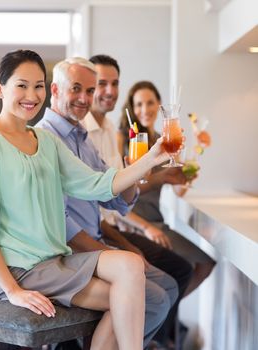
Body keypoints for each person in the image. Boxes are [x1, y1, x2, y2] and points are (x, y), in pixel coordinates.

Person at [0, 50, 171, 350]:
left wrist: (152, 158)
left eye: (38, 85)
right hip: (19, 268)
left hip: (56, 260)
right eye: (22, 85)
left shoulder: (47, 142)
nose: (32, 95)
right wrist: (13, 290)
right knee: (125, 298)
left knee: (130, 265)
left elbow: (98, 185)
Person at [37, 57, 179, 349]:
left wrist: (137, 169)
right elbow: (59, 220)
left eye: (90, 91)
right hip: (67, 253)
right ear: (55, 90)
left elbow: (114, 197)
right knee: (154, 298)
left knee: (168, 285)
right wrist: (110, 252)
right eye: (77, 89)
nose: (85, 98)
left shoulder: (82, 137)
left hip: (96, 243)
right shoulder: (45, 139)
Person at [81, 54, 194, 348]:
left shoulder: (110, 133)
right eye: (100, 83)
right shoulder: (90, 134)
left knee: (176, 274)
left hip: (110, 227)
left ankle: (155, 338)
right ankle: (158, 339)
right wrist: (139, 232)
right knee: (173, 275)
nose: (108, 90)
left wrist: (174, 177)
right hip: (110, 229)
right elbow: (108, 195)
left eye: (114, 83)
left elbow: (120, 192)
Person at [118, 80, 216, 297]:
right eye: (139, 104)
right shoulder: (123, 140)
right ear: (132, 109)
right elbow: (117, 196)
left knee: (204, 264)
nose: (145, 109)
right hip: (131, 223)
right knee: (171, 276)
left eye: (150, 103)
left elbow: (178, 191)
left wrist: (186, 177)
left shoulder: (164, 141)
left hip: (157, 222)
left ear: (159, 105)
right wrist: (146, 228)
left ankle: (167, 316)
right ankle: (164, 316)